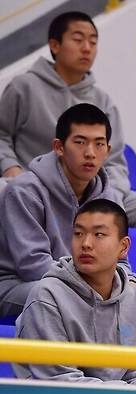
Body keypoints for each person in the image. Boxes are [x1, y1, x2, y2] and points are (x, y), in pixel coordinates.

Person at [0, 11, 136, 230]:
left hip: (91, 194)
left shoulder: (103, 100)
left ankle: (115, 252)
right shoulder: (24, 87)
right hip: (36, 186)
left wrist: (108, 197)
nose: (87, 48)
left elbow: (115, 162)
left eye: (93, 41)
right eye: (78, 39)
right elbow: (1, 135)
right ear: (54, 45)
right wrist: (11, 168)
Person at [13, 199, 136, 386]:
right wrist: (128, 392)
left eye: (99, 234)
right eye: (78, 234)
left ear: (123, 247)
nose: (86, 243)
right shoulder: (46, 295)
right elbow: (59, 380)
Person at [0, 103, 123, 317]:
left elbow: (120, 260)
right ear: (59, 147)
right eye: (80, 142)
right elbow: (33, 265)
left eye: (99, 144)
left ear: (108, 150)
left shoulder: (110, 199)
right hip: (20, 286)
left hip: (85, 286)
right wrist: (91, 287)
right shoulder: (24, 191)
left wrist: (127, 285)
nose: (90, 153)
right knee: (62, 297)